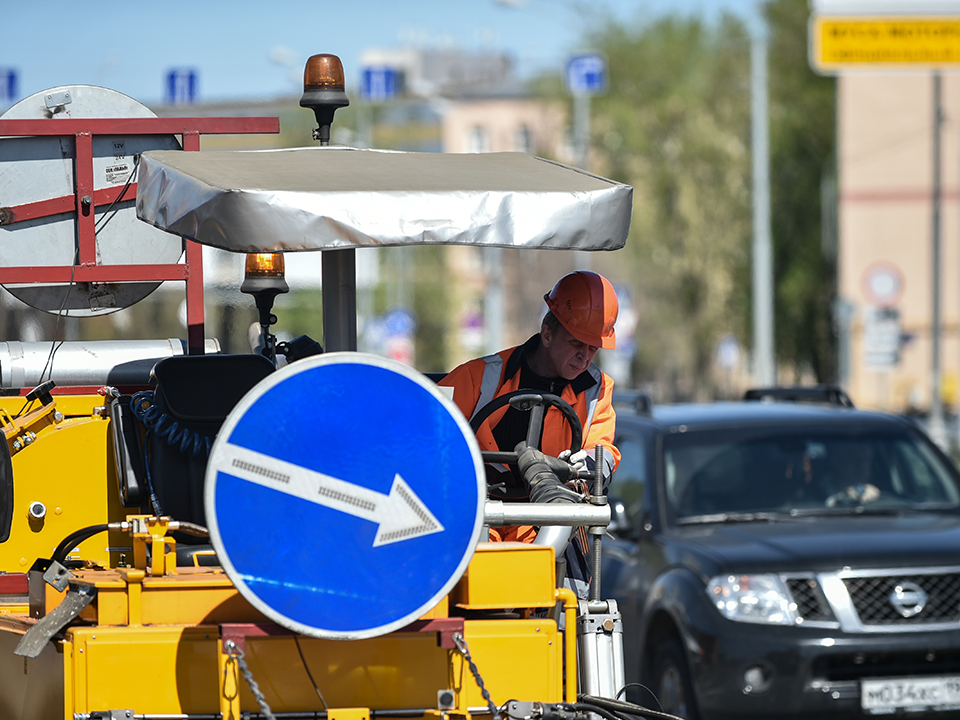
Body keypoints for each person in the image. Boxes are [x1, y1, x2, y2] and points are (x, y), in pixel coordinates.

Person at [440, 270, 621, 598]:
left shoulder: (597, 390)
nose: (584, 356)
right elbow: (427, 428)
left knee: (573, 605)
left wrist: (587, 466)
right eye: (576, 343)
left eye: (593, 347)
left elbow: (603, 449)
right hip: (479, 515)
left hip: (551, 521)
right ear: (547, 333)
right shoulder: (482, 378)